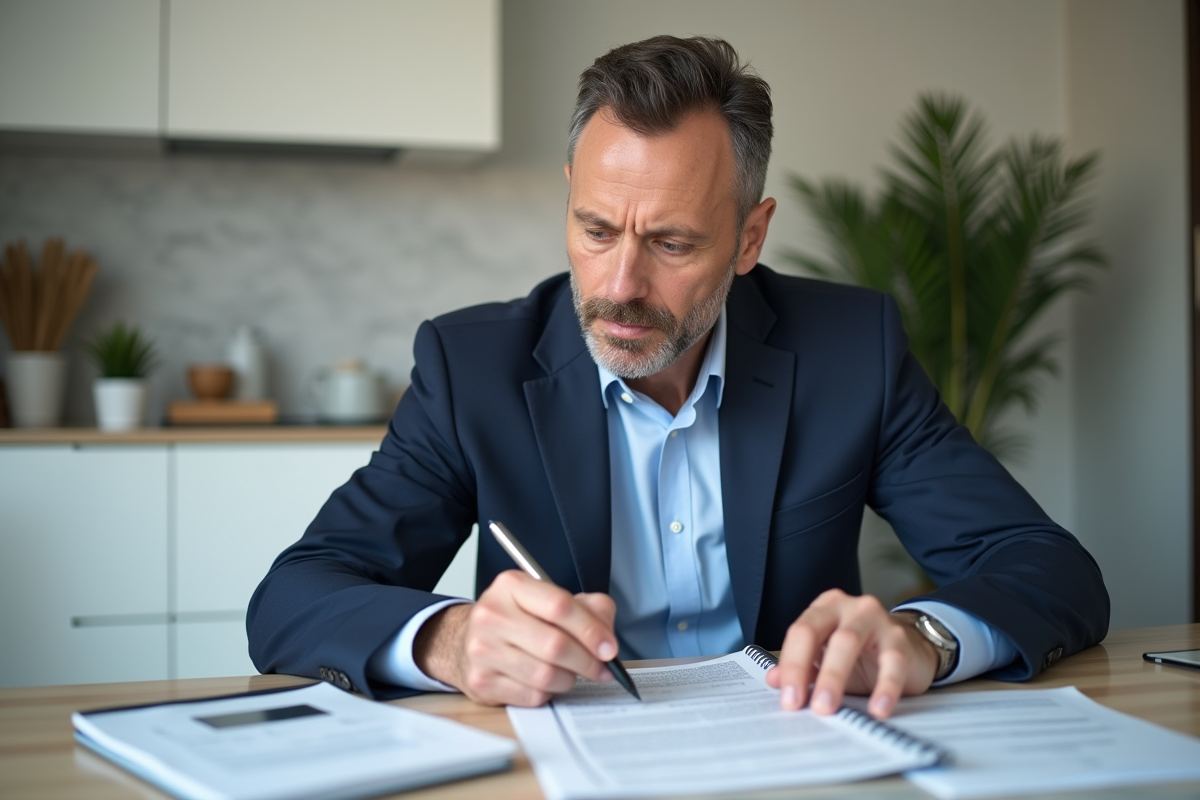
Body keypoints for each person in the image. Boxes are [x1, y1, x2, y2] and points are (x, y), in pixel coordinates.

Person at [247, 35, 1108, 719]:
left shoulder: (854, 350)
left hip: (792, 761)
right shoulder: (472, 368)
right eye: (595, 230)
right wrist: (447, 639)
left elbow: (1049, 570)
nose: (620, 287)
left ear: (749, 238)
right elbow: (293, 597)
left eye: (672, 243)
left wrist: (924, 637)